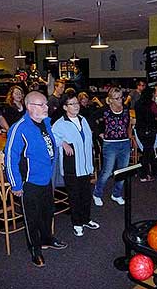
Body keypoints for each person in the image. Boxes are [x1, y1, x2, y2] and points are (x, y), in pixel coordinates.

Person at [5, 91, 67, 268]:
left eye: (46, 104)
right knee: (31, 218)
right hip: (28, 183)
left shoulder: (46, 122)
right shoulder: (19, 128)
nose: (47, 107)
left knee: (48, 212)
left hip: (46, 179)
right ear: (30, 107)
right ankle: (35, 249)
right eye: (42, 105)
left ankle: (47, 239)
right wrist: (16, 184)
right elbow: (10, 158)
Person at [52, 91, 100, 237]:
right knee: (74, 196)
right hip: (71, 167)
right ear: (65, 107)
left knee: (86, 194)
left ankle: (86, 219)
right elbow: (52, 137)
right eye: (72, 104)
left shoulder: (83, 119)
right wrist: (63, 143)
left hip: (85, 165)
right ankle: (77, 223)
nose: (76, 106)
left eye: (76, 103)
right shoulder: (60, 123)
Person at [92, 88, 131, 207]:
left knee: (122, 171)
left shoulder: (125, 109)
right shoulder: (105, 110)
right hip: (110, 144)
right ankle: (97, 193)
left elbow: (127, 123)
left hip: (124, 143)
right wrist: (99, 132)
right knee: (107, 171)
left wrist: (128, 137)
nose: (120, 100)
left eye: (121, 97)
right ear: (110, 100)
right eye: (117, 98)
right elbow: (91, 119)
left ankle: (116, 194)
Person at [135, 87, 157, 182]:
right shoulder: (152, 104)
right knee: (147, 152)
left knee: (148, 151)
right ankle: (144, 175)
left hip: (140, 130)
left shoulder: (137, 103)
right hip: (150, 129)